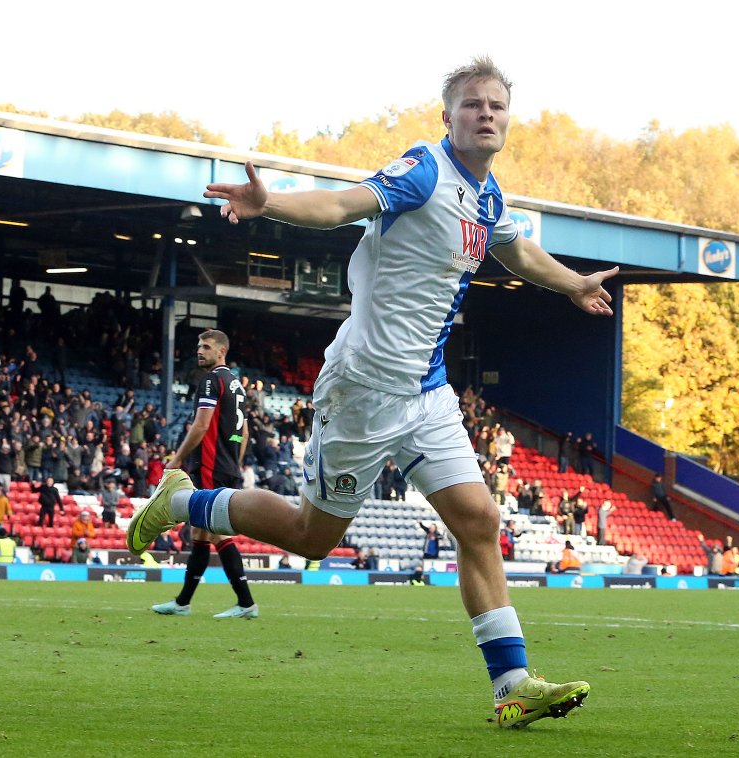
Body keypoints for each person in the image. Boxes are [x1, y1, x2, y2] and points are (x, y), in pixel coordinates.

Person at [131, 56, 607, 728]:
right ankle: (187, 500)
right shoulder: (423, 170)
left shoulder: (489, 196)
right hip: (365, 389)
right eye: (473, 104)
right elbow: (341, 203)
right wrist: (272, 205)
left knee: (479, 520)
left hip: (430, 391)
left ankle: (512, 685)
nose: (487, 114)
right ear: (449, 117)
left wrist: (574, 284)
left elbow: (516, 251)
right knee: (312, 536)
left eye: (497, 105)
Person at [151, 330, 259, 620]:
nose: (200, 351)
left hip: (211, 466)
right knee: (199, 530)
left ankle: (246, 602)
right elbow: (245, 432)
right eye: (198, 346)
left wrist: (176, 459)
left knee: (214, 532)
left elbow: (201, 426)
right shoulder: (236, 385)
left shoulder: (211, 381)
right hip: (227, 466)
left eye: (207, 347)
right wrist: (234, 463)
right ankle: (183, 602)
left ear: (221, 351)